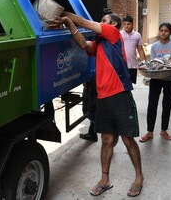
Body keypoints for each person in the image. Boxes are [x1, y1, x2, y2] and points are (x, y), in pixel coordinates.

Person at [50, 11, 144, 197]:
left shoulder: (113, 34)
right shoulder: (100, 44)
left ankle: (139, 177)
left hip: (120, 95)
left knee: (127, 139)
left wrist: (63, 13)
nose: (100, 23)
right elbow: (83, 44)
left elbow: (85, 22)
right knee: (107, 140)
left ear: (114, 24)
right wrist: (69, 24)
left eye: (104, 20)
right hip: (103, 98)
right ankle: (104, 179)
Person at [139, 22, 171, 143]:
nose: (163, 33)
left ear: (170, 32)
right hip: (156, 78)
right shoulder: (155, 46)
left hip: (170, 78)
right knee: (152, 105)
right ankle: (149, 132)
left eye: (166, 31)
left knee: (166, 106)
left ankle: (164, 130)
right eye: (161, 30)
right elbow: (153, 63)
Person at [121, 15, 147, 85]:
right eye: (125, 24)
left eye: (128, 24)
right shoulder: (119, 34)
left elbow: (140, 50)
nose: (126, 26)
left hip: (132, 65)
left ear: (132, 24)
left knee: (130, 85)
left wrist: (144, 62)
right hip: (122, 64)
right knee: (122, 85)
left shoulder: (137, 35)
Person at [79, 75, 98, 142]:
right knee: (93, 110)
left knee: (88, 112)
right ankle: (92, 133)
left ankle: (107, 130)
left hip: (91, 83)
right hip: (94, 81)